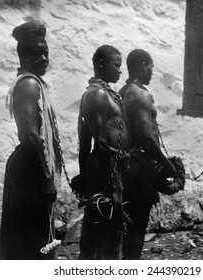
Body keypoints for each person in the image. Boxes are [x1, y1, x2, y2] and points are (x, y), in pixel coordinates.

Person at [0, 21, 61, 260]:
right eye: (37, 53)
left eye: (46, 53)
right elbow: (31, 136)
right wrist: (46, 180)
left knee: (35, 240)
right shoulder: (28, 84)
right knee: (33, 244)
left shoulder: (34, 82)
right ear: (23, 56)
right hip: (30, 171)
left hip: (30, 168)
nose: (44, 58)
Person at [119, 49, 181, 259]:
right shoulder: (142, 94)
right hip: (140, 169)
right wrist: (167, 165)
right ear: (142, 65)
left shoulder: (123, 91)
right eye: (151, 68)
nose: (152, 73)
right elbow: (146, 136)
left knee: (126, 226)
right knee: (137, 226)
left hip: (126, 165)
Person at [77, 45, 130, 259]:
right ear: (101, 64)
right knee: (107, 221)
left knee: (102, 224)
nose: (120, 70)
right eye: (116, 65)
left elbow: (83, 144)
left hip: (107, 168)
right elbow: (98, 144)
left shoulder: (103, 92)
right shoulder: (98, 94)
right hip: (106, 170)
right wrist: (114, 184)